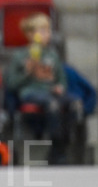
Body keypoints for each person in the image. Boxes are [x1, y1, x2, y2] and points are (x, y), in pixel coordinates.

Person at [5, 12, 77, 165]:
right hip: (32, 92)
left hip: (50, 92)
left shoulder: (52, 55)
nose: (47, 34)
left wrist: (60, 87)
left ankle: (65, 145)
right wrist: (27, 72)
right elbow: (12, 84)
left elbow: (61, 78)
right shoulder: (20, 55)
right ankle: (56, 149)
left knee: (74, 104)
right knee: (53, 105)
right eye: (43, 31)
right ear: (31, 34)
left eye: (48, 31)